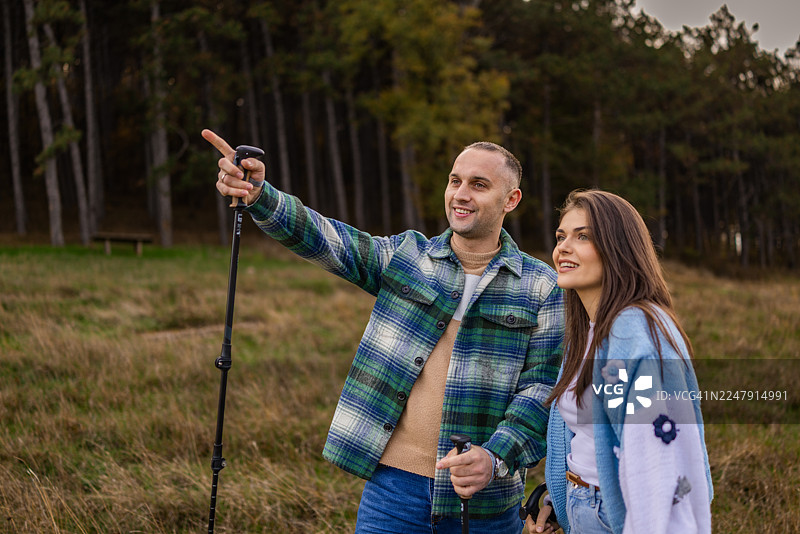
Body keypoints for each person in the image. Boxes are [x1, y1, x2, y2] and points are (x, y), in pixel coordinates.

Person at [203, 129, 564, 533]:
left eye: (479, 185)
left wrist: (495, 457)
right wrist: (260, 196)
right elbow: (330, 240)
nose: (461, 194)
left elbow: (542, 391)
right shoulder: (407, 256)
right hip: (393, 490)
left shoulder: (543, 287)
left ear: (510, 199)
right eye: (454, 181)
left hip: (485, 501)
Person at [526, 189, 713, 534]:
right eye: (561, 236)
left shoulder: (632, 334)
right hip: (585, 505)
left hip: (619, 515)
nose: (562, 248)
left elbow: (655, 455)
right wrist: (559, 502)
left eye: (583, 236)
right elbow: (594, 432)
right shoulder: (589, 332)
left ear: (618, 247)